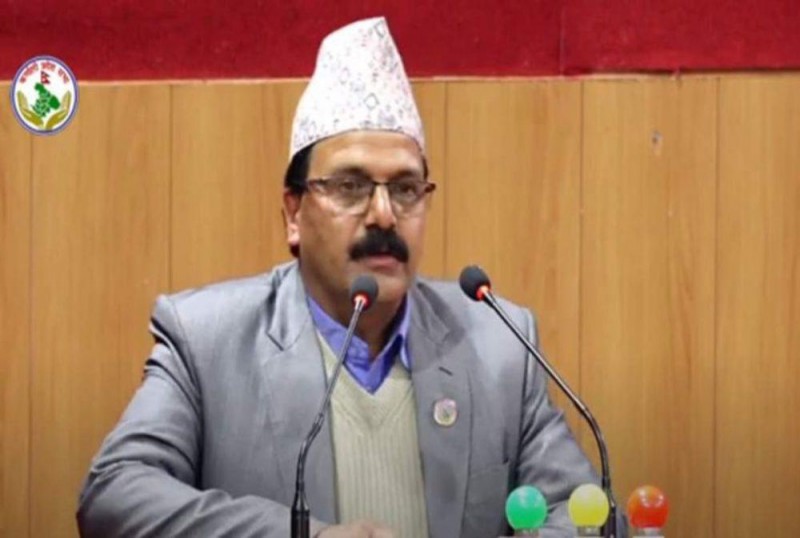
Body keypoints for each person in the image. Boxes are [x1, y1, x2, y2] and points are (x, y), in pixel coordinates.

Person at [77, 17, 608, 538]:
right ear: (293, 214)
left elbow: (586, 511)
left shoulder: (497, 344)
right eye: (351, 186)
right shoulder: (208, 342)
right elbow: (114, 493)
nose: (384, 215)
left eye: (405, 189)